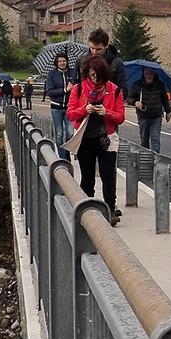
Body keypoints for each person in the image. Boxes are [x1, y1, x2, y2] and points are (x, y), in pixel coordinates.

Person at [67, 54, 126, 225]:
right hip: (85, 137)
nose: (96, 79)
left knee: (108, 175)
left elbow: (120, 117)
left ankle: (109, 209)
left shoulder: (114, 90)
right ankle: (86, 209)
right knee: (87, 176)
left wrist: (106, 112)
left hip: (105, 137)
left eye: (99, 75)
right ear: (88, 73)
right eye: (93, 75)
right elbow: (70, 113)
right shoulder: (79, 89)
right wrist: (84, 109)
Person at [129, 67, 171, 152]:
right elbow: (129, 98)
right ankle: (145, 160)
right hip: (143, 117)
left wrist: (168, 111)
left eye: (150, 74)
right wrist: (135, 102)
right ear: (143, 74)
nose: (149, 76)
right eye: (146, 74)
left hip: (156, 116)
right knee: (144, 141)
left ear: (154, 74)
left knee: (155, 140)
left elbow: (165, 99)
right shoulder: (137, 85)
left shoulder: (160, 85)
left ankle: (155, 160)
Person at [45, 54, 75, 161]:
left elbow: (78, 88)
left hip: (69, 108)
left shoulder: (73, 73)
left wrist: (74, 89)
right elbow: (50, 91)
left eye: (64, 61)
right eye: (60, 61)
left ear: (67, 61)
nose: (62, 63)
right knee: (59, 133)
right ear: (56, 63)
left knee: (70, 132)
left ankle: (66, 151)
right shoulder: (52, 74)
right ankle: (62, 157)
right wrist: (65, 90)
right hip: (56, 108)